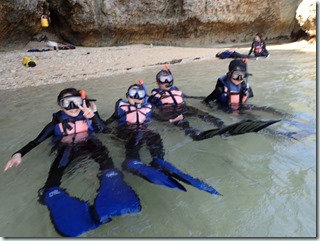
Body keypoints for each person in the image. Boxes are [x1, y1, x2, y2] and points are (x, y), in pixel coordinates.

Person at [3, 88, 140, 237]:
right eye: (67, 103)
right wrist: (18, 154)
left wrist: (93, 116)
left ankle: (110, 180)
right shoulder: (55, 125)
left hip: (89, 144)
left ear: (82, 102)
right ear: (60, 105)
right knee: (58, 167)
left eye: (76, 103)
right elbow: (36, 141)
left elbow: (102, 130)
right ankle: (52, 193)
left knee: (103, 155)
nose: (73, 108)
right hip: (66, 148)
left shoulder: (88, 116)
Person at [105, 82, 221, 196]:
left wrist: (171, 120)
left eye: (139, 95)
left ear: (143, 98)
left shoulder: (147, 108)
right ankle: (131, 161)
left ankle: (158, 161)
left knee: (154, 136)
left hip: (142, 131)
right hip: (127, 132)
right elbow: (108, 123)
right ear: (126, 96)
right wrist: (101, 126)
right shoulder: (121, 108)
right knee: (136, 138)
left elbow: (159, 118)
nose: (136, 98)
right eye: (133, 94)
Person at [149, 65, 279, 140]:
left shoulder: (176, 90)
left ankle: (221, 126)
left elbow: (185, 97)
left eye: (169, 79)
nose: (167, 82)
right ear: (157, 82)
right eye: (163, 79)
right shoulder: (154, 96)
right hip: (172, 113)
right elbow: (151, 111)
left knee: (204, 115)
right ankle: (194, 133)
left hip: (184, 107)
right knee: (183, 123)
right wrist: (164, 119)